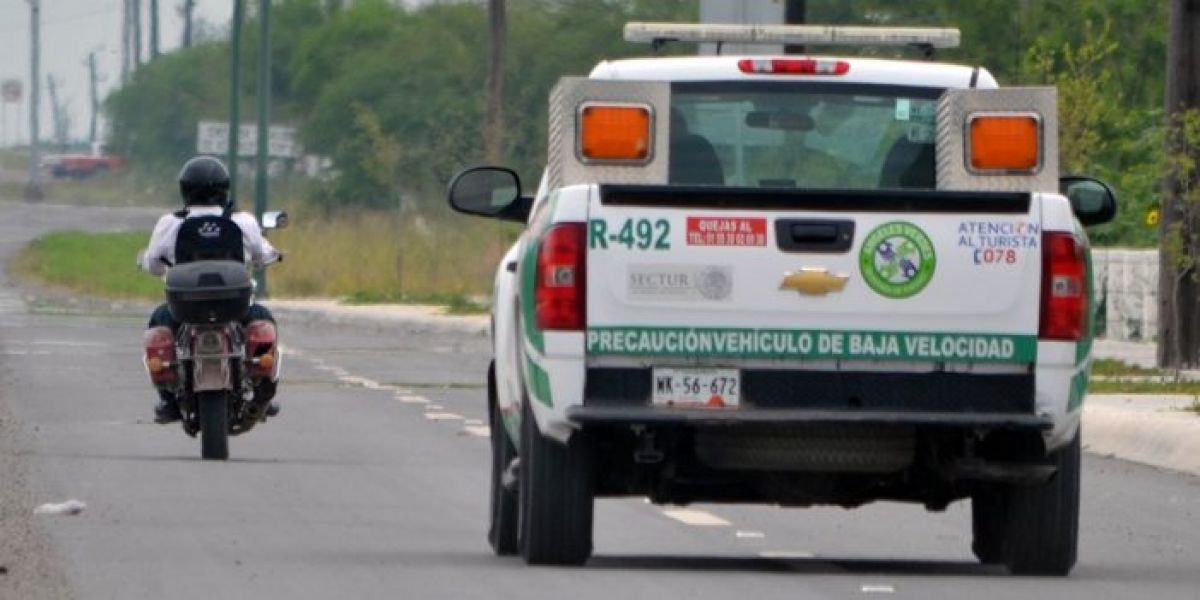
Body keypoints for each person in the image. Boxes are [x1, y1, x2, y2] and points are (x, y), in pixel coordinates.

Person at [139, 156, 281, 423]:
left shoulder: (171, 223)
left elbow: (154, 265)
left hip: (184, 309)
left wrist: (147, 262)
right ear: (224, 189)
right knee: (263, 320)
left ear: (185, 189)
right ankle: (263, 391)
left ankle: (168, 401)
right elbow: (263, 255)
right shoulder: (243, 222)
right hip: (235, 306)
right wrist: (273, 255)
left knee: (158, 322)